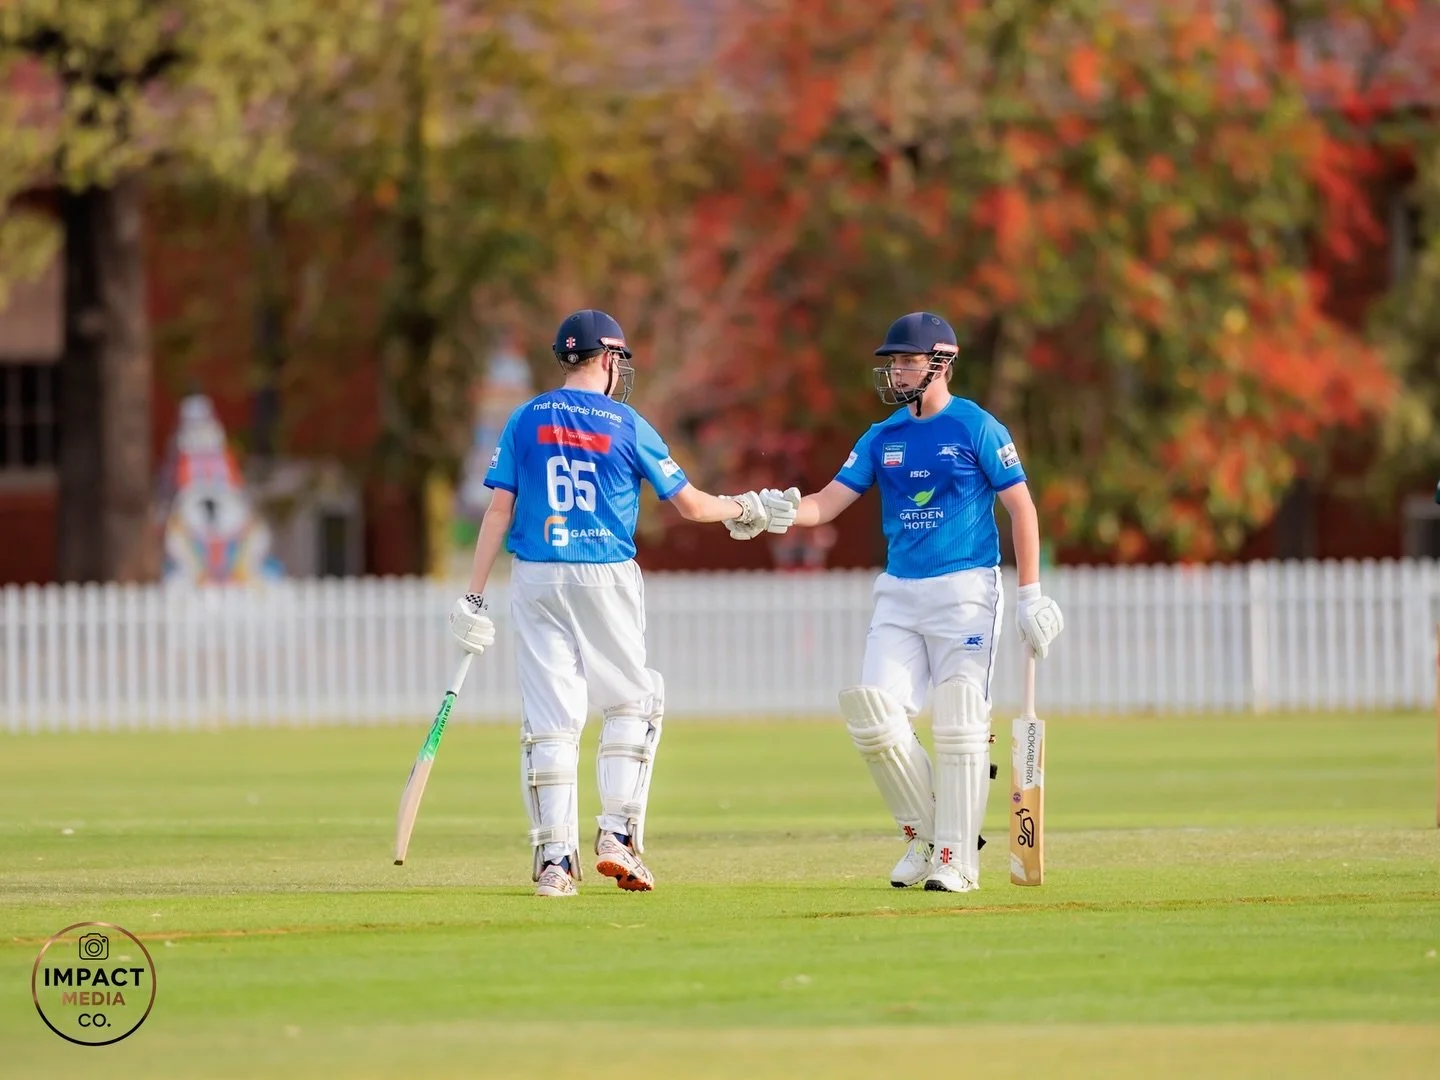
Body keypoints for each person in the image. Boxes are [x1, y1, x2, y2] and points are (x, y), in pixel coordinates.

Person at [448, 309, 776, 898]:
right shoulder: (626, 423)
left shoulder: (525, 419)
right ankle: (617, 837)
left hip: (536, 574)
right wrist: (747, 509)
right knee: (632, 701)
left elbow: (498, 510)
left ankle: (554, 861)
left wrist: (473, 596)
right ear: (608, 359)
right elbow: (694, 507)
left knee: (551, 720)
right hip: (603, 572)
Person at [750, 312, 1065, 893]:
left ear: (941, 363)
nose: (896, 371)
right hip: (898, 592)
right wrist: (774, 512)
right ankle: (931, 837)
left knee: (960, 718)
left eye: (906, 360)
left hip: (967, 589)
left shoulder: (977, 426)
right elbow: (824, 504)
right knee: (875, 716)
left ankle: (957, 863)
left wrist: (1031, 597)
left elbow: (1023, 508)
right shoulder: (882, 436)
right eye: (892, 362)